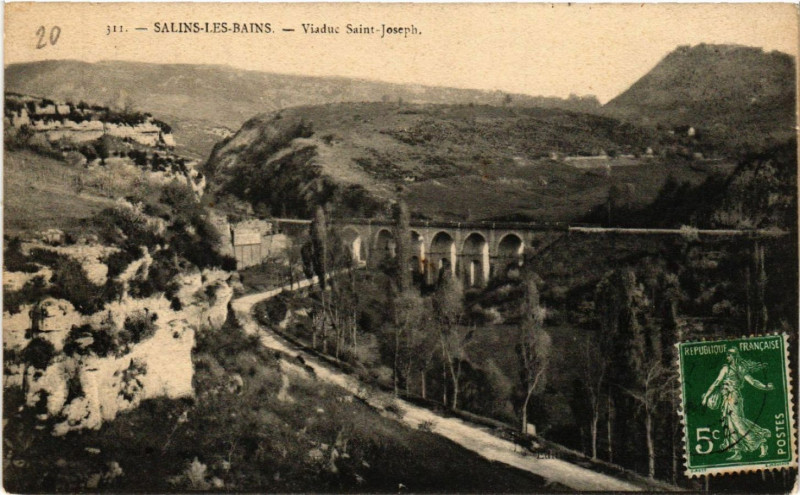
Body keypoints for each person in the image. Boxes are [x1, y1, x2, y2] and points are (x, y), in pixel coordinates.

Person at [702, 347, 774, 460]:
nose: (727, 357)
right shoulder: (741, 368)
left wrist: (706, 396)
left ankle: (759, 441)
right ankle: (737, 452)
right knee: (731, 423)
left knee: (738, 423)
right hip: (731, 398)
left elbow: (716, 382)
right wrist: (765, 387)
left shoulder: (727, 368)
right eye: (727, 355)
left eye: (729, 355)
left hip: (732, 398)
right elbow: (753, 382)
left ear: (734, 356)